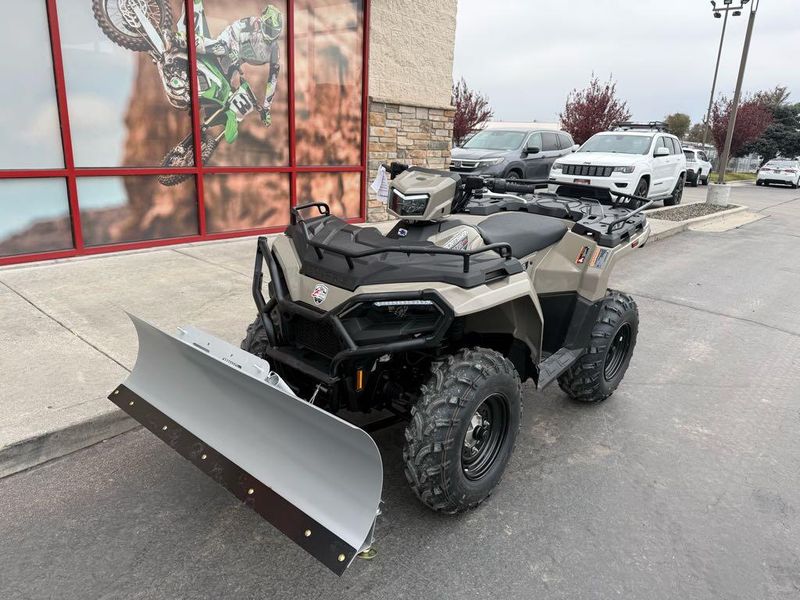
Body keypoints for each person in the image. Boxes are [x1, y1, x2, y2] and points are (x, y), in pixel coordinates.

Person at [193, 5, 283, 127]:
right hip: (230, 41)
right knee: (221, 49)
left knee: (224, 85)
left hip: (238, 59)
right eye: (269, 30)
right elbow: (234, 30)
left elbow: (272, 81)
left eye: (275, 32)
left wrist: (266, 108)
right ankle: (189, 41)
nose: (271, 35)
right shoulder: (252, 23)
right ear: (262, 24)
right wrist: (234, 49)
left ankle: (208, 108)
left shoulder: (274, 52)